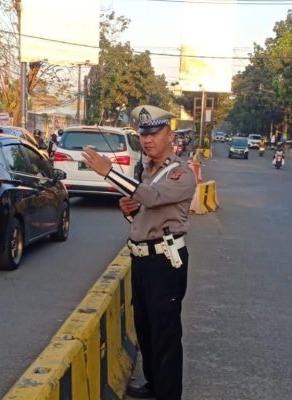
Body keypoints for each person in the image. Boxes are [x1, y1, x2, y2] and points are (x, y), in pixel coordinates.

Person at [81, 105, 196, 400]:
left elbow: (152, 197)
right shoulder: (147, 171)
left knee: (166, 334)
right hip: (142, 259)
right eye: (143, 134)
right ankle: (154, 385)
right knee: (145, 327)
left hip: (166, 263)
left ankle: (168, 395)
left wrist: (109, 173)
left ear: (170, 135)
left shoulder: (180, 174)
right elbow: (147, 215)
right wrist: (130, 213)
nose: (147, 140)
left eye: (154, 133)